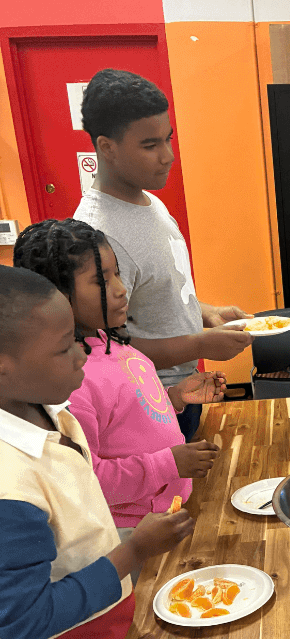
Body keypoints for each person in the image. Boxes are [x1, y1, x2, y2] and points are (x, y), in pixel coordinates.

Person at [0, 265, 194, 639]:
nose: (83, 359)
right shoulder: (7, 484)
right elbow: (22, 617)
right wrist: (133, 553)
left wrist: (134, 540)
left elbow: (78, 529)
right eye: (65, 349)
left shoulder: (51, 416)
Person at [13, 219, 223, 582]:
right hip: (134, 537)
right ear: (57, 295)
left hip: (171, 512)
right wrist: (166, 465)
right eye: (101, 281)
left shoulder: (114, 343)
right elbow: (87, 479)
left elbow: (126, 417)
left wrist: (175, 398)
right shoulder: (71, 381)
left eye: (117, 274)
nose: (121, 290)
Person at [73, 68, 252, 441]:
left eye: (168, 139)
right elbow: (106, 349)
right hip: (147, 406)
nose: (168, 156)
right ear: (106, 147)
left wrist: (207, 312)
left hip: (184, 390)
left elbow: (159, 288)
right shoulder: (97, 237)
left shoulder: (148, 200)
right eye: (150, 145)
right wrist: (201, 342)